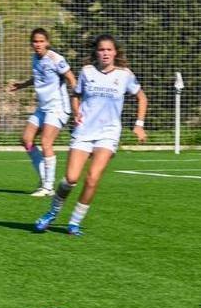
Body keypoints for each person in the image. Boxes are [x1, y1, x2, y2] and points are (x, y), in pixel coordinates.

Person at [34, 34, 147, 236]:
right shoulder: (87, 72)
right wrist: (76, 112)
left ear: (115, 53)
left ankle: (74, 222)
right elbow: (75, 95)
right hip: (84, 132)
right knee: (70, 179)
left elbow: (141, 97)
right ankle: (51, 213)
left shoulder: (124, 75)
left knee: (93, 179)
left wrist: (139, 125)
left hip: (108, 133)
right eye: (101, 49)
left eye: (109, 50)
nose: (105, 53)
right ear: (96, 52)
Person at [9, 28, 77, 196]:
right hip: (43, 108)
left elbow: (71, 78)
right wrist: (22, 85)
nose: (38, 44)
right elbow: (38, 77)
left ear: (47, 42)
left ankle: (48, 187)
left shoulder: (56, 59)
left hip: (57, 108)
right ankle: (44, 177)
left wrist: (77, 105)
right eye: (35, 41)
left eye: (41, 41)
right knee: (26, 140)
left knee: (46, 143)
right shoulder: (35, 58)